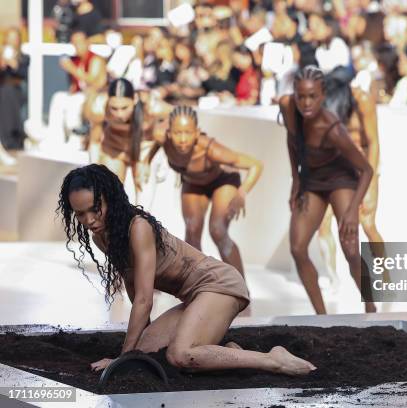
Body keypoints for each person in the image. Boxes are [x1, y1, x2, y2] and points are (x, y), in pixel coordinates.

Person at [57, 164, 315, 375]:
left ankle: (272, 359)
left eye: (95, 208)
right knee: (147, 353)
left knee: (180, 355)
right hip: (195, 298)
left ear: (110, 198)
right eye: (80, 214)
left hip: (219, 284)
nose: (90, 220)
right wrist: (136, 350)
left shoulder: (138, 228)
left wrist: (120, 360)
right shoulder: (102, 238)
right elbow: (134, 289)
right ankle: (229, 350)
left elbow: (146, 300)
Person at [279, 65, 375, 314]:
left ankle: (371, 306)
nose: (306, 103)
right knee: (298, 248)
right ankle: (321, 316)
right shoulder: (287, 105)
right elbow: (292, 139)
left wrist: (353, 210)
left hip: (341, 178)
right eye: (301, 96)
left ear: (323, 96)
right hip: (312, 179)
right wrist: (295, 179)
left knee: (351, 249)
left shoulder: (332, 128)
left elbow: (366, 170)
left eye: (313, 96)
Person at [149, 105, 263, 278]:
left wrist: (242, 193)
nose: (182, 139)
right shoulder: (160, 136)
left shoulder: (212, 150)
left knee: (218, 230)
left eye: (188, 132)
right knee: (192, 229)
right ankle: (199, 286)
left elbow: (255, 164)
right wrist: (144, 162)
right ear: (169, 133)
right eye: (177, 133)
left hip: (223, 180)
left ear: (197, 133)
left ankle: (241, 291)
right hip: (193, 183)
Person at [317, 66, 387, 290]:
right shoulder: (326, 103)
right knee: (323, 223)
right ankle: (333, 278)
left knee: (367, 224)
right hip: (336, 165)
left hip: (364, 165)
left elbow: (374, 142)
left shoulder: (362, 101)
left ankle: (385, 277)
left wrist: (371, 178)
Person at [86, 78, 172, 206]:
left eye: (124, 107)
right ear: (108, 101)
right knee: (109, 198)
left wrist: (156, 158)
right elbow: (94, 141)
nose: (119, 114)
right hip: (114, 148)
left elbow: (177, 118)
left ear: (135, 99)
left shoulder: (152, 106)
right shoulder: (99, 106)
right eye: (114, 108)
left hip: (144, 149)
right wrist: (92, 170)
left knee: (143, 207)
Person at [0, 27, 29, 151]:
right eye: (9, 38)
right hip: (3, 88)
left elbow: (22, 74)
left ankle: (11, 138)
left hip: (15, 89)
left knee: (7, 93)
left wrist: (13, 64)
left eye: (14, 39)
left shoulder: (23, 57)